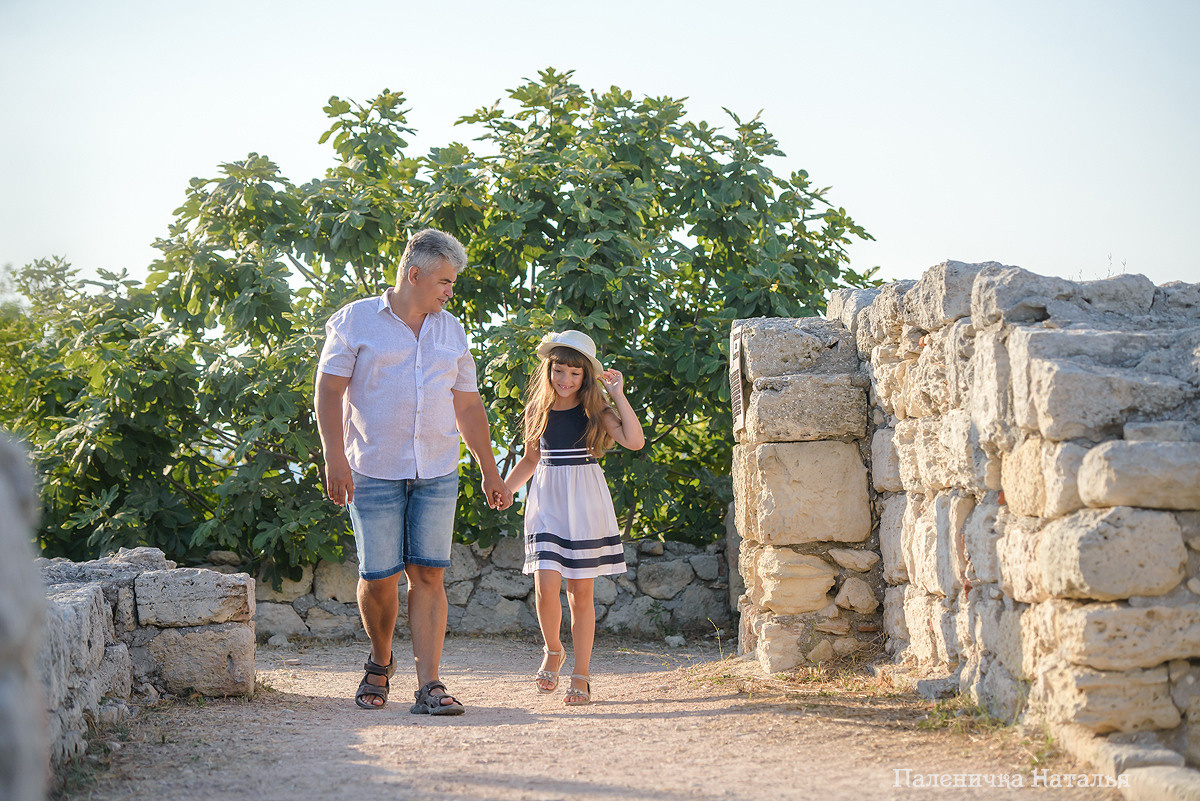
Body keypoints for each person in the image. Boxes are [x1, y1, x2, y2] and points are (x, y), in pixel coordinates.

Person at [314, 228, 513, 715]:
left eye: (453, 282)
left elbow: (467, 405)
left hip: (438, 469)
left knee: (428, 575)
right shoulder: (355, 321)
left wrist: (489, 469)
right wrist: (334, 457)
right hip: (373, 469)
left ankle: (430, 686)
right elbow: (328, 391)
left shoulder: (451, 330)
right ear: (414, 274)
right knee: (379, 577)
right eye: (445, 281)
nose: (451, 290)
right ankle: (380, 662)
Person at [503, 330, 645, 705]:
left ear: (585, 377)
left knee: (580, 593)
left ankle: (581, 674)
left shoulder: (595, 410)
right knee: (545, 584)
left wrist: (617, 394)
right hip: (547, 497)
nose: (565, 380)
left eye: (574, 374)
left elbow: (635, 441)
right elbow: (531, 460)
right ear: (548, 370)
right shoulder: (538, 409)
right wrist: (505, 487)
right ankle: (553, 650)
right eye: (559, 371)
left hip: (584, 499)